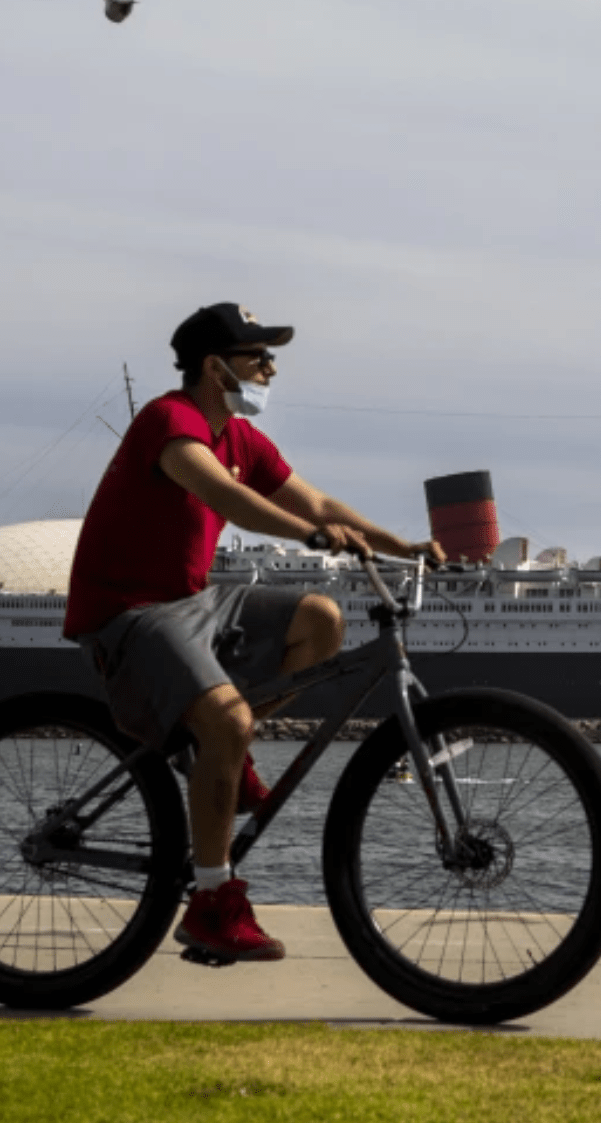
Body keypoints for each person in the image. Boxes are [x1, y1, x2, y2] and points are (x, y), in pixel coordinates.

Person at [63, 302, 444, 961]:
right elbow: (229, 499)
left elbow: (320, 503)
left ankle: (221, 750)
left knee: (322, 620)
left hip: (192, 601)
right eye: (258, 357)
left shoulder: (243, 439)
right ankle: (211, 901)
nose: (270, 369)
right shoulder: (170, 419)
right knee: (228, 721)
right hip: (128, 612)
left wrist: (402, 547)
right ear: (215, 368)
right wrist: (312, 534)